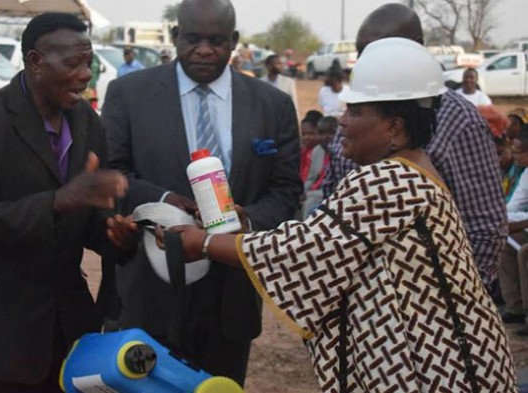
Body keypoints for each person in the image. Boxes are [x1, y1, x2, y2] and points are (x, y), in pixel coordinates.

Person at [168, 37, 517, 393]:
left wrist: (206, 242)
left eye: (354, 111)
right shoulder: (414, 169)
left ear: (394, 127)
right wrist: (242, 231)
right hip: (459, 361)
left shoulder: (388, 179)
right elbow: (332, 239)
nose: (342, 121)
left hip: (444, 372)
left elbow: (303, 251)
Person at [100, 0, 302, 385]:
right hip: (154, 285)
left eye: (217, 40)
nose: (205, 49)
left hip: (231, 293)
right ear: (176, 38)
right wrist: (163, 203)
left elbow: (286, 188)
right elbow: (113, 173)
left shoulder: (272, 104)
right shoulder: (130, 93)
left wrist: (247, 221)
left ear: (235, 41)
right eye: (193, 38)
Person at [0, 13, 138, 392]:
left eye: (89, 62)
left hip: (69, 335)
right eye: (73, 63)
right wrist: (57, 202)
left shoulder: (88, 123)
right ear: (35, 62)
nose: (85, 75)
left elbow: (88, 215)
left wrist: (115, 236)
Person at [322, 3, 506, 290]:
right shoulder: (356, 114)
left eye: (380, 51)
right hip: (355, 301)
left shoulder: (459, 121)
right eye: (363, 54)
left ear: (416, 48)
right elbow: (331, 195)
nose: (369, 62)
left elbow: (484, 229)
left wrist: (450, 305)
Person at [500, 126, 528, 333]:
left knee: (524, 253)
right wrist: (505, 222)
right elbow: (513, 206)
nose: (515, 156)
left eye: (520, 152)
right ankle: (515, 307)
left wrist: (519, 223)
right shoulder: (525, 173)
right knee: (503, 241)